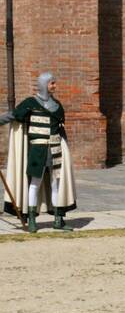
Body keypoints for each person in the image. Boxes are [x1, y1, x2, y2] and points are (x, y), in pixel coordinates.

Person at [0, 72, 77, 233]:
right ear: (44, 84)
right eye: (52, 83)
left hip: (56, 151)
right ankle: (32, 220)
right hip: (37, 151)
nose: (55, 86)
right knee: (34, 184)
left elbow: (61, 129)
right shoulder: (30, 103)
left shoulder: (57, 105)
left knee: (56, 184)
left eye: (54, 83)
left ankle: (58, 220)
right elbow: (13, 116)